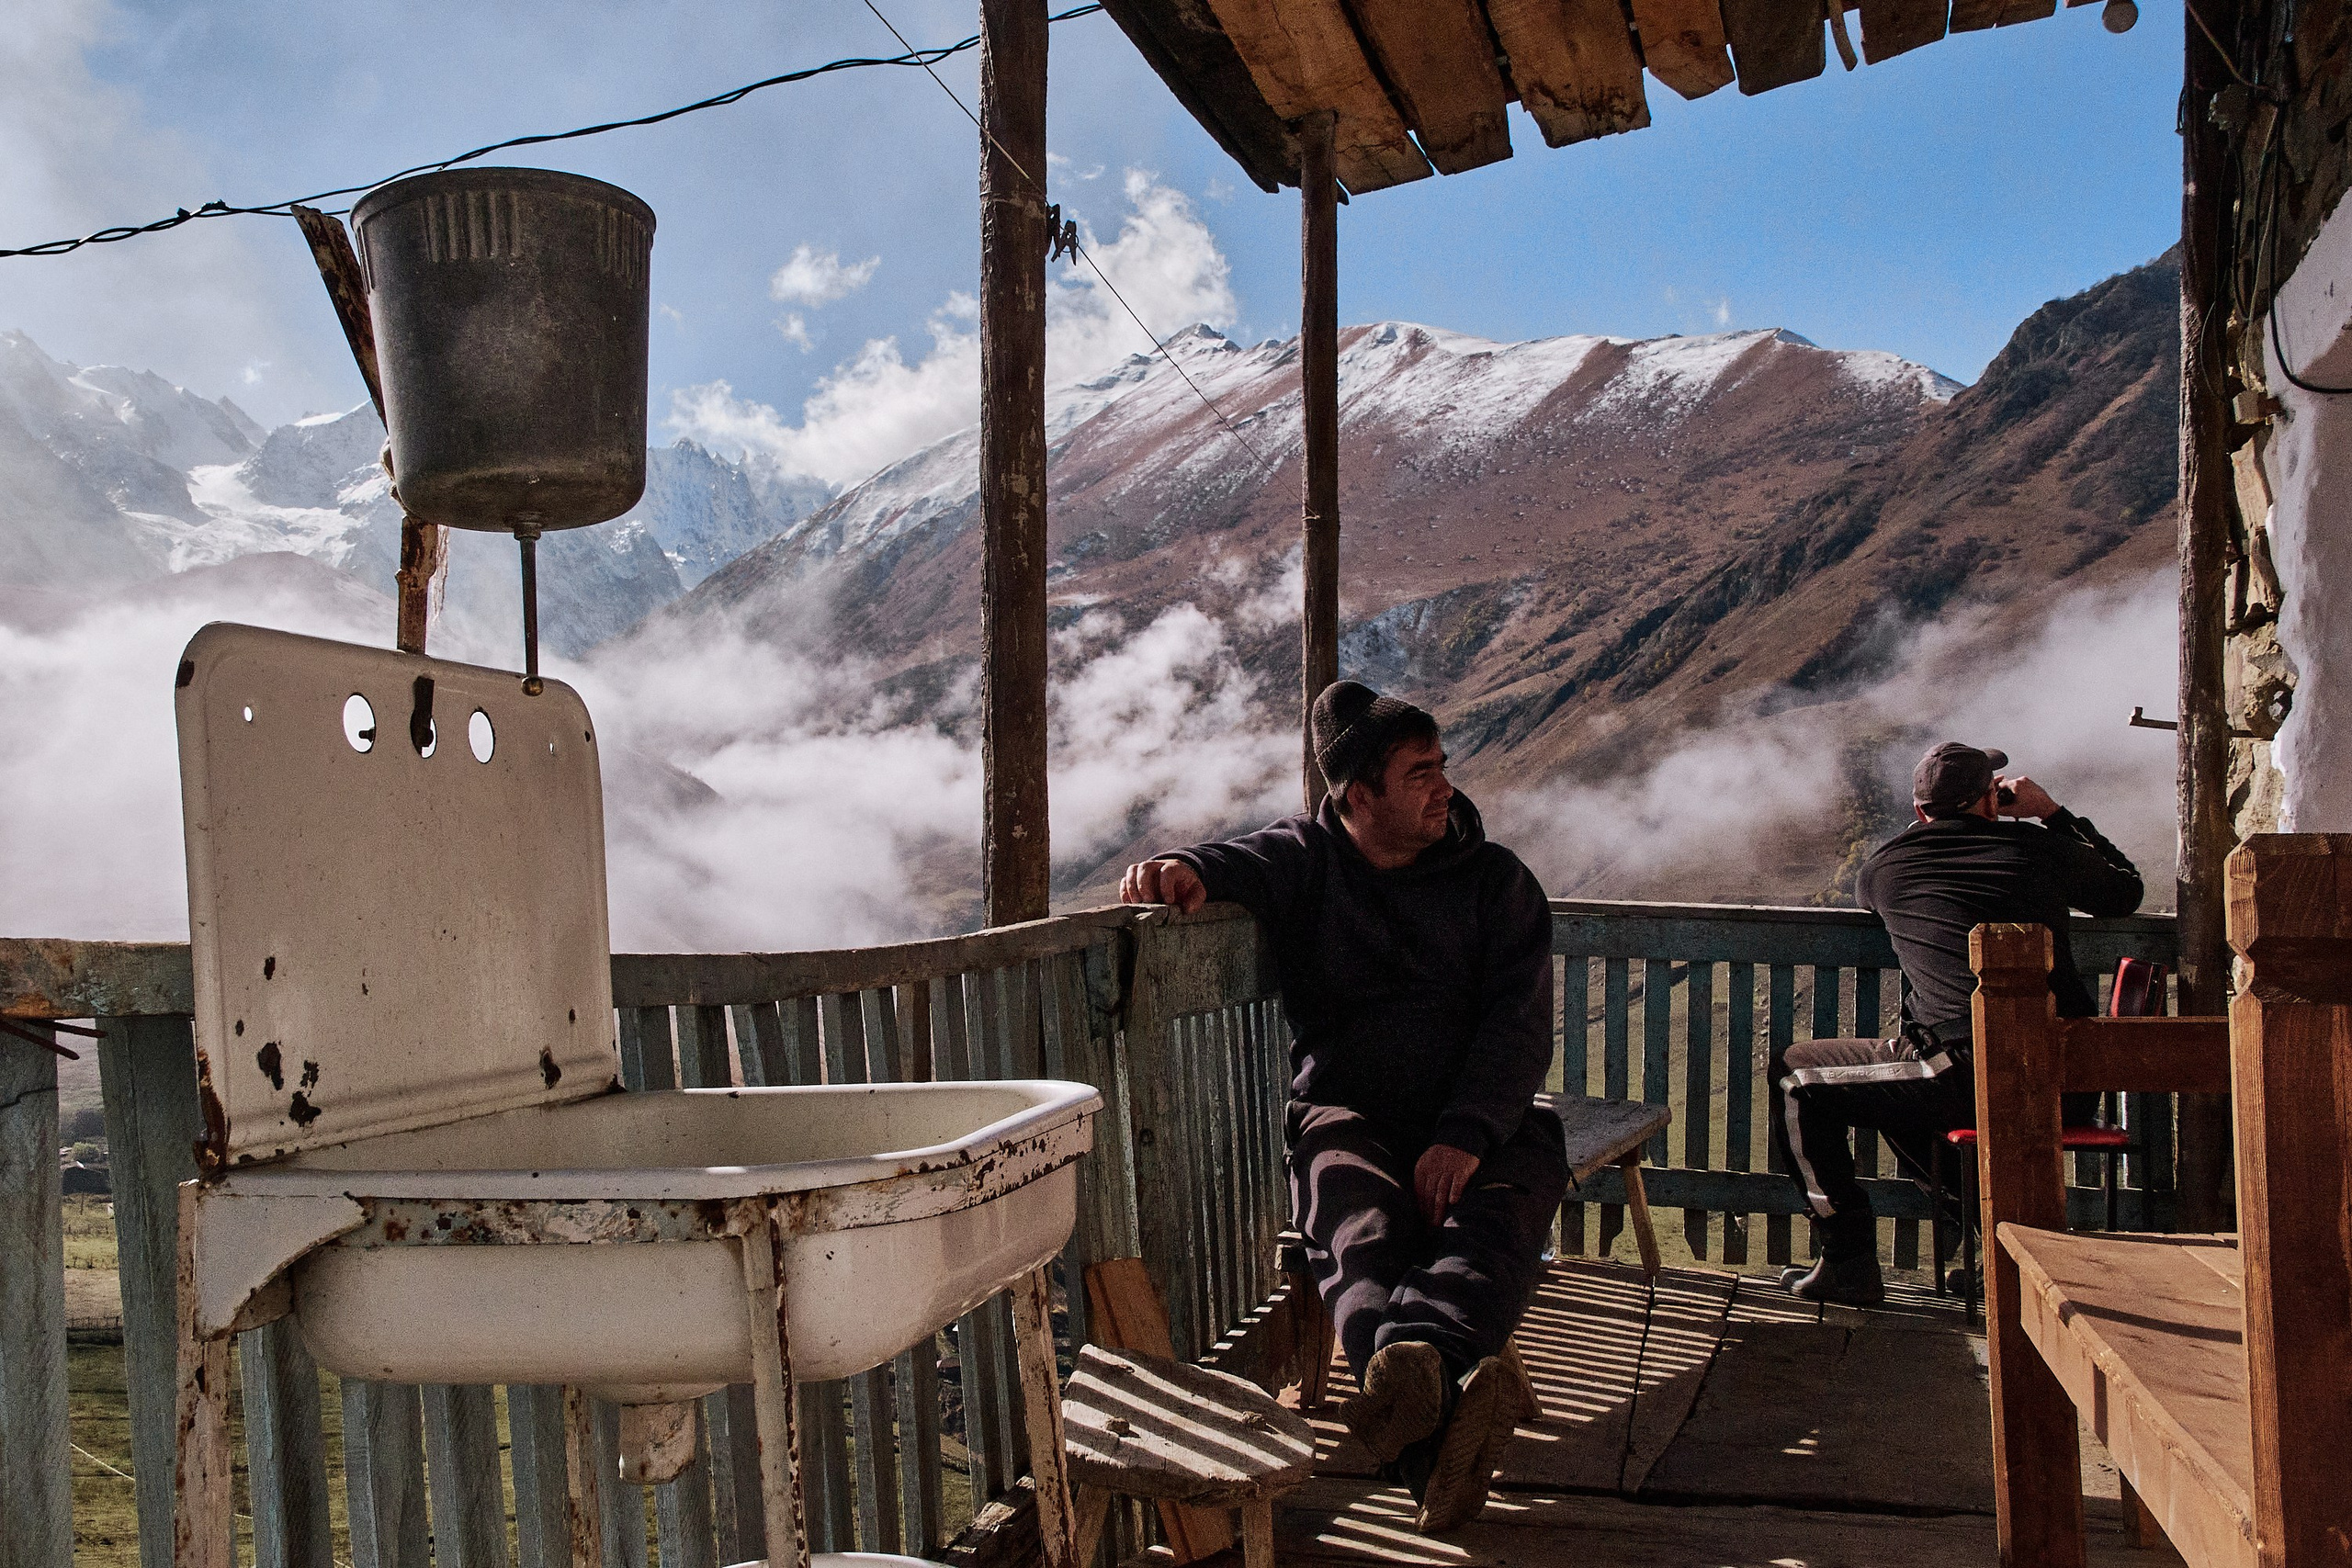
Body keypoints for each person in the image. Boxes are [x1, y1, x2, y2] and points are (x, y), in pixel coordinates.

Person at [1117, 680, 1564, 1534]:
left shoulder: (1497, 883)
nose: (1445, 787)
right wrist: (1181, 870)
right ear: (1358, 795)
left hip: (1482, 1123)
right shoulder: (1307, 860)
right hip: (1348, 1112)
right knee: (1357, 1231)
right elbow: (1231, 862)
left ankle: (1411, 1378)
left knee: (1500, 1218)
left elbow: (1519, 1027)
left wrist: (1463, 1138)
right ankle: (1437, 1404)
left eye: (1441, 766)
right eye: (1420, 772)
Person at [1776, 740, 2143, 1305]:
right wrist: (2052, 813)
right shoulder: (2040, 848)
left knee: (1795, 1078)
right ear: (1991, 800)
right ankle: (1997, 1248)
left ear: (1921, 810)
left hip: (1963, 1074)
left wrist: (1928, 828)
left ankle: (1848, 1258)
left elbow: (1880, 885)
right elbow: (2126, 891)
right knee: (1899, 1090)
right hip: (2065, 1082)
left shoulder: (1884, 869)